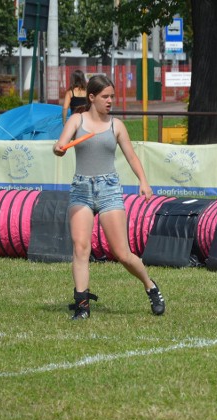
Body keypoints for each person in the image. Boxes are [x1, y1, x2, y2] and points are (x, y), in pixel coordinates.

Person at [53, 74, 166, 319]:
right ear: (91, 97)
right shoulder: (76, 119)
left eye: (112, 96)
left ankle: (150, 286)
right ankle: (82, 306)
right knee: (81, 248)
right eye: (105, 96)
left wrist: (144, 182)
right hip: (81, 189)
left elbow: (132, 157)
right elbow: (60, 145)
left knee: (122, 253)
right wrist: (58, 148)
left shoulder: (116, 125)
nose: (110, 101)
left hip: (109, 190)